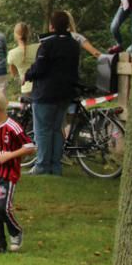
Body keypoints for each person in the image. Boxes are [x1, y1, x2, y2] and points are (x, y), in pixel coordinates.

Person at [0, 89, 36, 254]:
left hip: (6, 175)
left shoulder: (12, 127)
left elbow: (30, 147)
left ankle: (16, 231)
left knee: (1, 207)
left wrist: (10, 155)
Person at [24, 11, 81, 176]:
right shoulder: (73, 44)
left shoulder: (47, 45)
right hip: (65, 92)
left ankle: (42, 165)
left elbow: (40, 68)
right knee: (57, 129)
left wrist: (28, 74)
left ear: (52, 26)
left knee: (42, 129)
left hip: (46, 93)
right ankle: (55, 165)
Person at [7, 22, 39, 97]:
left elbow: (13, 74)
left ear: (15, 35)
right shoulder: (38, 47)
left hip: (26, 89)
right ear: (29, 34)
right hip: (40, 88)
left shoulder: (12, 53)